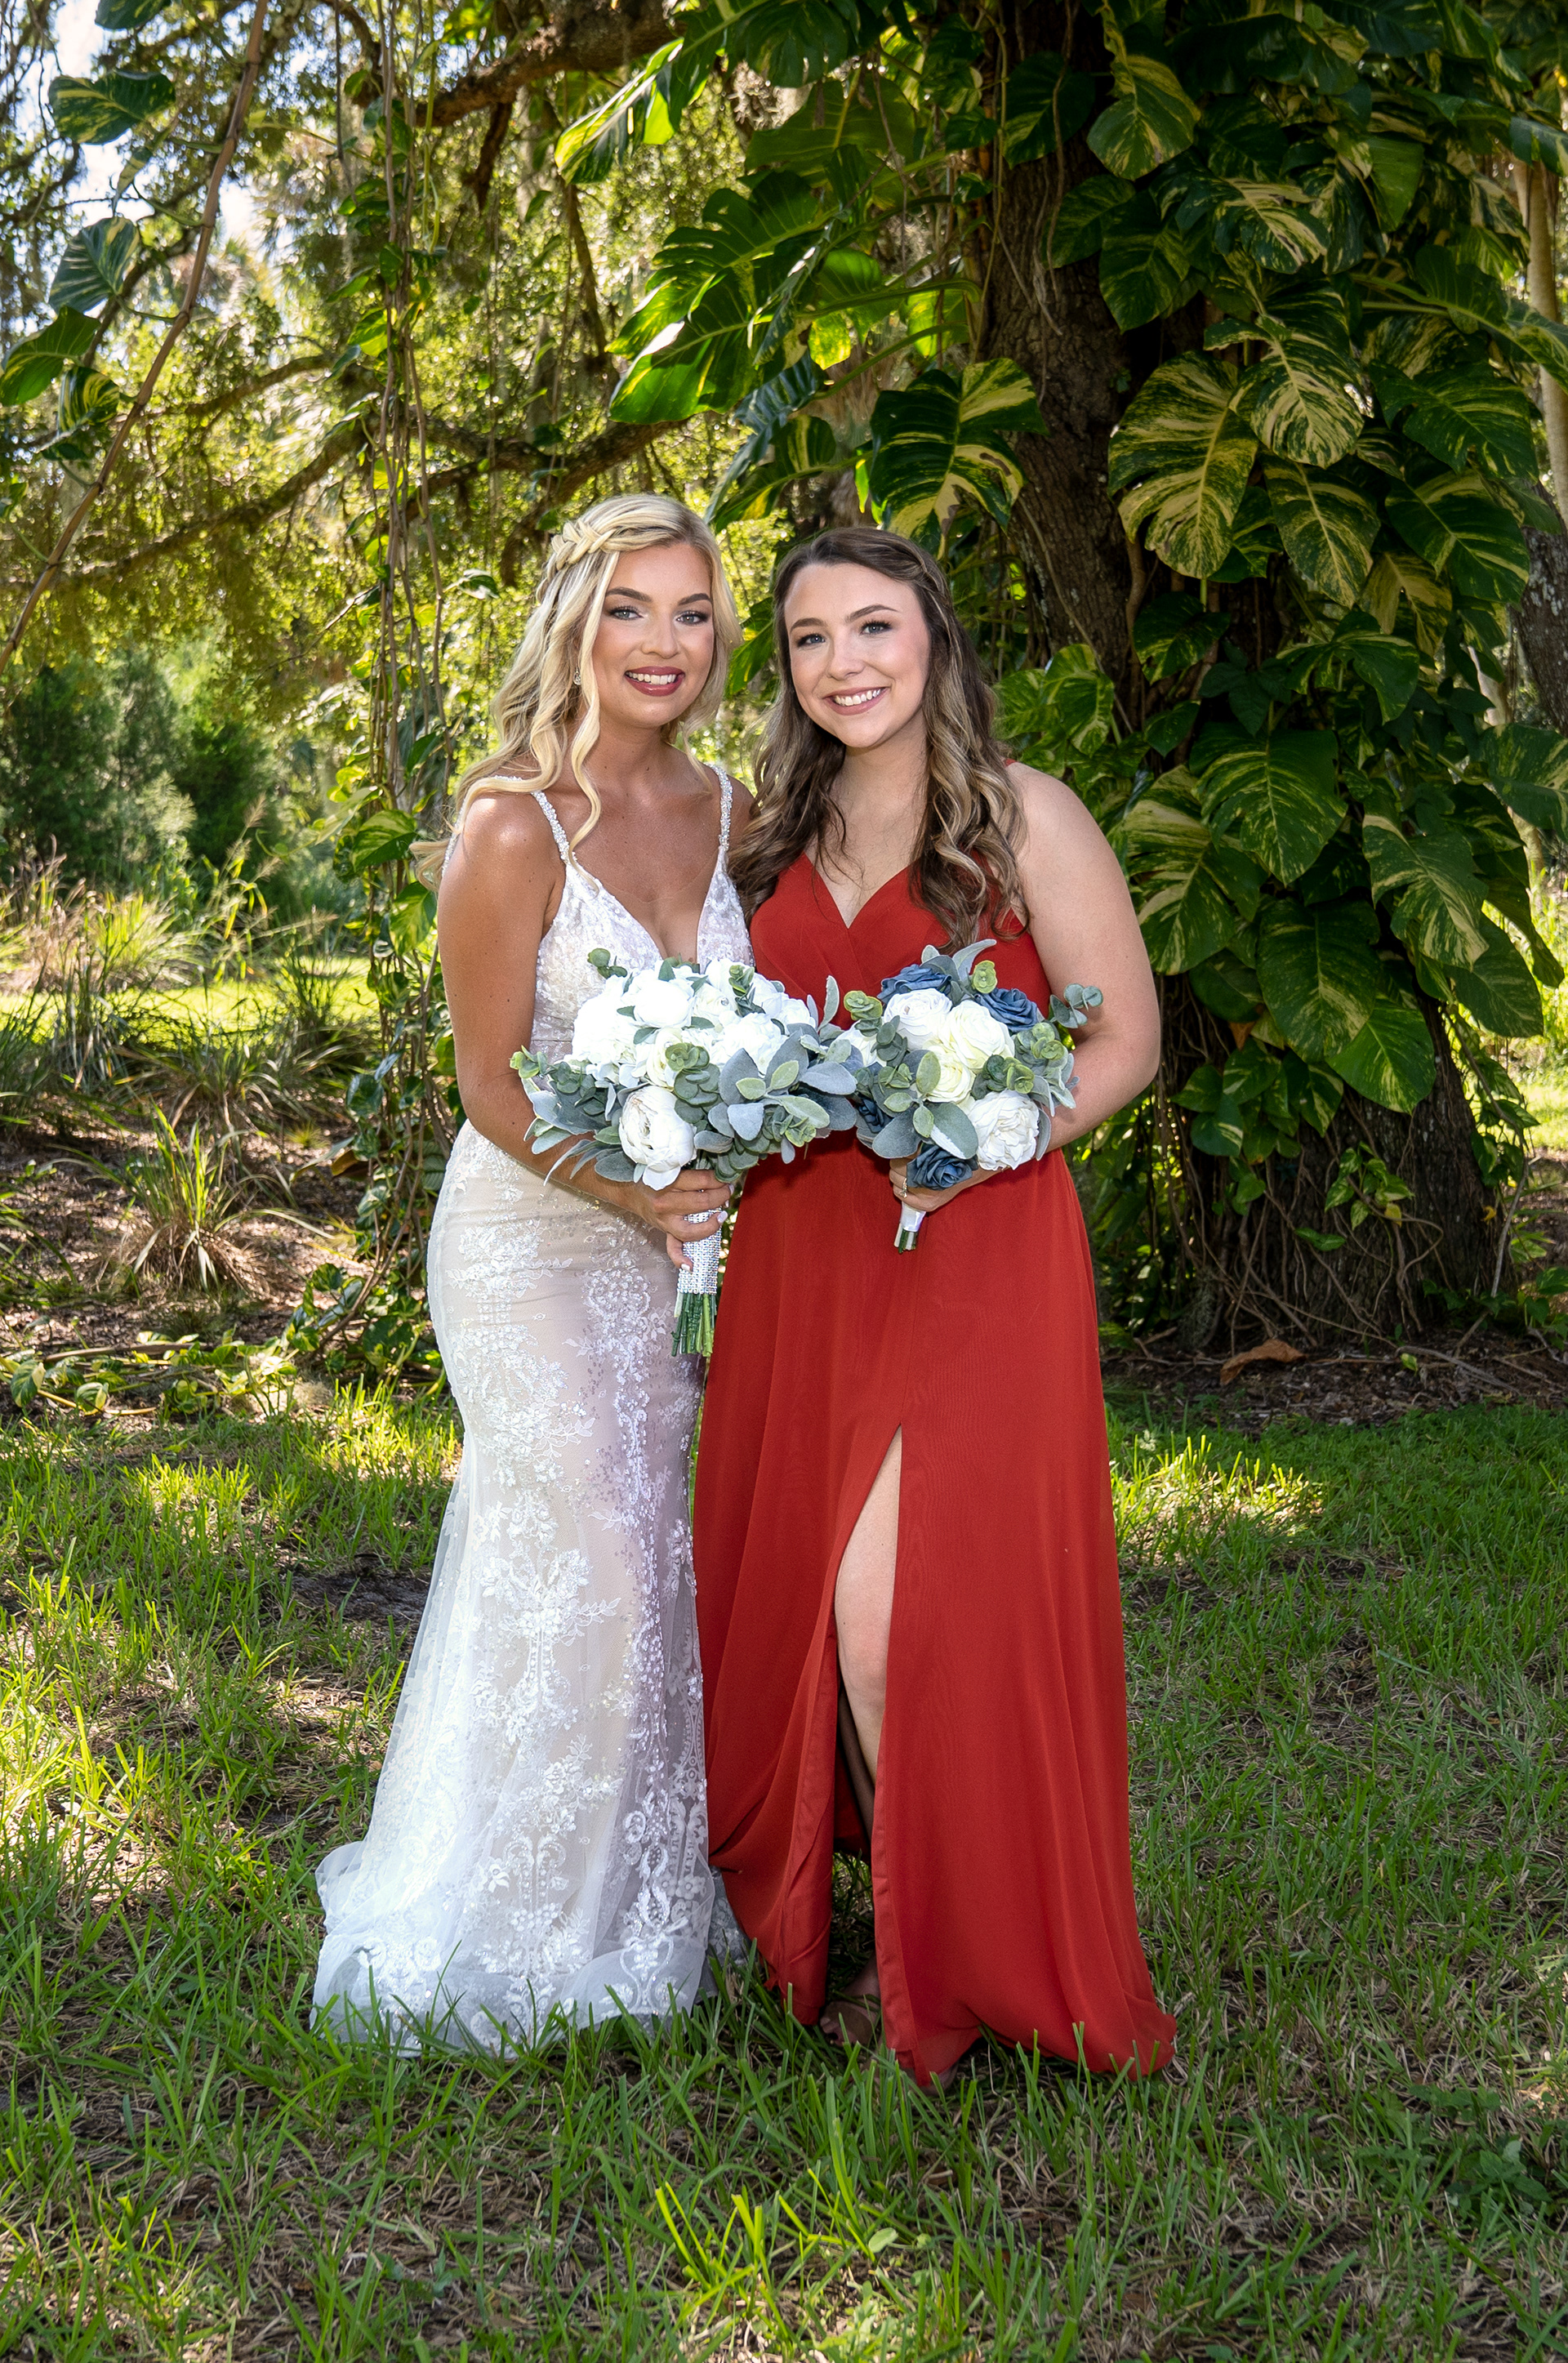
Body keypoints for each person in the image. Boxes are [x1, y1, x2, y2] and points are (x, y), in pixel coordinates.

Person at [693, 526, 1177, 2087]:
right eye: (810, 638)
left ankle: (950, 1957)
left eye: (872, 627)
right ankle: (916, 1922)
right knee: (811, 1601)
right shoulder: (768, 836)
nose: (843, 662)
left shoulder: (1026, 818)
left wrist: (990, 1133)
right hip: (802, 1251)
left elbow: (1127, 1040)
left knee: (898, 1613)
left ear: (934, 638)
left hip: (973, 1247)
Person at [314, 494, 752, 2048]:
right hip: (531, 1241)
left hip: (678, 1250)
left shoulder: (730, 808)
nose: (662, 642)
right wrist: (636, 1192)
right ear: (575, 620)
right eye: (630, 607)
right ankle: (511, 1927)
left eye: (691, 612)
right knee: (595, 1559)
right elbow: (489, 1083)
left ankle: (648, 1907)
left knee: (659, 1561)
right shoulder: (514, 823)